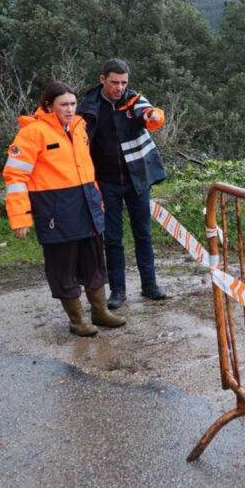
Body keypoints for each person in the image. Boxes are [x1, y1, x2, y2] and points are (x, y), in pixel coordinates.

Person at [3, 81, 126, 336]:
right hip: (55, 212)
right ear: (49, 106)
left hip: (87, 208)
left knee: (94, 264)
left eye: (73, 104)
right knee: (63, 268)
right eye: (63, 105)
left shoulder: (79, 128)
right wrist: (20, 217)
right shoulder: (32, 133)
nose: (70, 109)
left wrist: (98, 201)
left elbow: (87, 170)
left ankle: (100, 312)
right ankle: (77, 320)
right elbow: (15, 176)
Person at [78, 59, 168, 309]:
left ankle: (149, 284)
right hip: (105, 181)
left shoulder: (134, 99)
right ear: (102, 80)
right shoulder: (88, 105)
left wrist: (153, 116)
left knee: (143, 234)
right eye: (114, 82)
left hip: (137, 179)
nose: (119, 88)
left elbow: (151, 114)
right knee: (112, 239)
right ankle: (117, 290)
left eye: (124, 83)